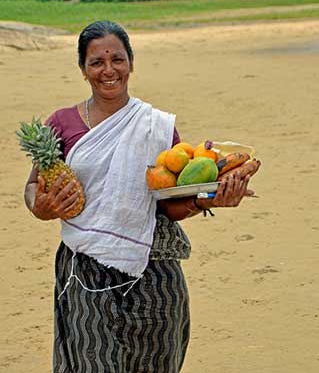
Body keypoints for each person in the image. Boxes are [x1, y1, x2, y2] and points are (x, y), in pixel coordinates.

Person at [24, 20, 252, 373]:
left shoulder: (156, 126)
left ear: (131, 62)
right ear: (83, 70)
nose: (108, 70)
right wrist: (40, 207)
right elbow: (32, 187)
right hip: (86, 274)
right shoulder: (62, 124)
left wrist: (206, 199)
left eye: (117, 59)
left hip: (155, 273)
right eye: (96, 62)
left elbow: (170, 204)